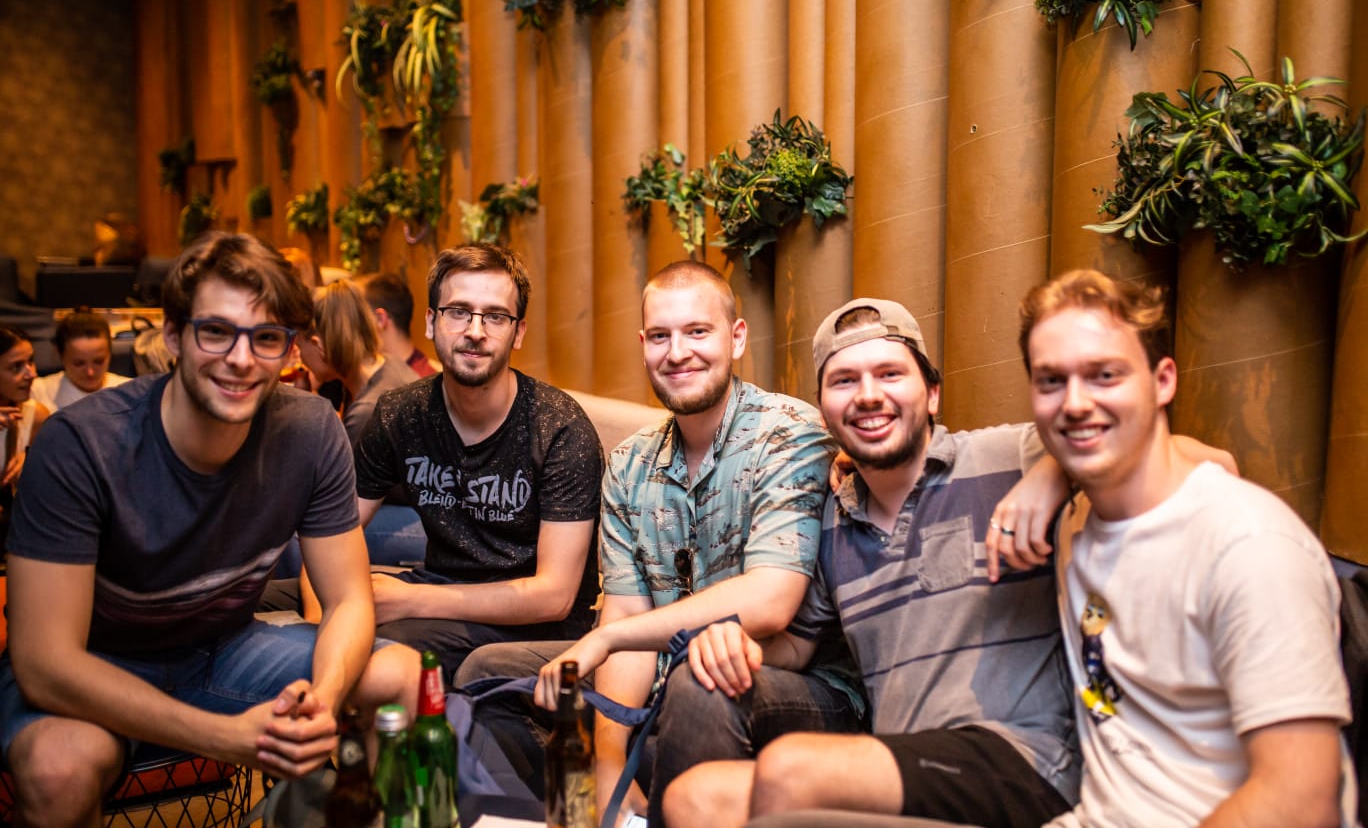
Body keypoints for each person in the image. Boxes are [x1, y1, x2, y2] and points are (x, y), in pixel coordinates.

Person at [0, 232, 419, 826]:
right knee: (58, 768)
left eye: (266, 337)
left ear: (290, 349)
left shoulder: (310, 429)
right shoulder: (80, 445)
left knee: (400, 674)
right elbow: (44, 662)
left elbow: (349, 599)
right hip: (100, 662)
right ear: (173, 335)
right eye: (217, 332)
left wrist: (324, 698)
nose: (242, 359)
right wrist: (225, 737)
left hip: (224, 648)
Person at [665, 297, 1081, 828]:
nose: (867, 395)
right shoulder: (833, 522)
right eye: (844, 381)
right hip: (901, 770)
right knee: (693, 799)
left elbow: (1162, 452)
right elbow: (796, 647)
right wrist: (731, 643)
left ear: (932, 394)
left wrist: (1054, 473)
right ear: (824, 412)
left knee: (791, 770)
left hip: (1024, 763)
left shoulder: (1010, 457)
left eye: (890, 374)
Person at [460, 260, 847, 825]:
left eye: (698, 332)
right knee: (488, 675)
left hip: (792, 683)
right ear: (643, 346)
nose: (678, 352)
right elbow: (628, 616)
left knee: (700, 686)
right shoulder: (629, 463)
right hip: (669, 673)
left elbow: (770, 601)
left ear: (736, 338)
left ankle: (655, 801)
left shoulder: (788, 434)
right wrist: (608, 761)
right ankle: (605, 807)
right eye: (661, 336)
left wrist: (607, 639)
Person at [1019, 269, 1355, 828]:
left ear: (1163, 381)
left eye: (1105, 375)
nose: (1075, 403)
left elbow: (1300, 803)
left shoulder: (1250, 545)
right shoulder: (1074, 526)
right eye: (1051, 381)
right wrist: (1048, 475)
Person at [347, 243, 604, 680]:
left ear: (518, 333)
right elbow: (336, 529)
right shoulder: (399, 414)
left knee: (377, 654)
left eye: (496, 317)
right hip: (441, 590)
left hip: (533, 625)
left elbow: (555, 596)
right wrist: (327, 612)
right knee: (282, 600)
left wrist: (410, 600)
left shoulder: (559, 429)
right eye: (459, 312)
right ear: (431, 321)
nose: (475, 331)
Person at [298, 279, 419, 445]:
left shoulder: (367, 412)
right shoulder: (387, 361)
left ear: (319, 346)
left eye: (299, 346)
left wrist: (304, 408)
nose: (300, 357)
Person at [0, 325, 48, 546]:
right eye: (16, 367)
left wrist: (33, 461)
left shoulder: (35, 415)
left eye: (31, 361)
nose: (32, 374)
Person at [30, 311, 132, 413]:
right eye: (79, 363)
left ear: (109, 353)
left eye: (98, 361)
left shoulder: (129, 390)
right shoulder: (39, 392)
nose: (90, 372)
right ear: (60, 355)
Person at [360, 271, 439, 377]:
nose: (350, 326)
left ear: (380, 319)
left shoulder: (424, 381)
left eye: (357, 316)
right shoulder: (366, 374)